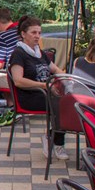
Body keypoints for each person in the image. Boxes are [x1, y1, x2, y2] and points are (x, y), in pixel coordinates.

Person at [9, 16, 68, 160]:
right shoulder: (18, 54)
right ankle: (54, 140)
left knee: (70, 101)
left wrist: (70, 78)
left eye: (39, 33)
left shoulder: (39, 52)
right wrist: (44, 85)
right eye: (33, 33)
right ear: (23, 34)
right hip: (29, 96)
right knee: (63, 105)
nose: (37, 36)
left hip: (46, 93)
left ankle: (53, 138)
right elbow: (18, 81)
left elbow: (55, 69)